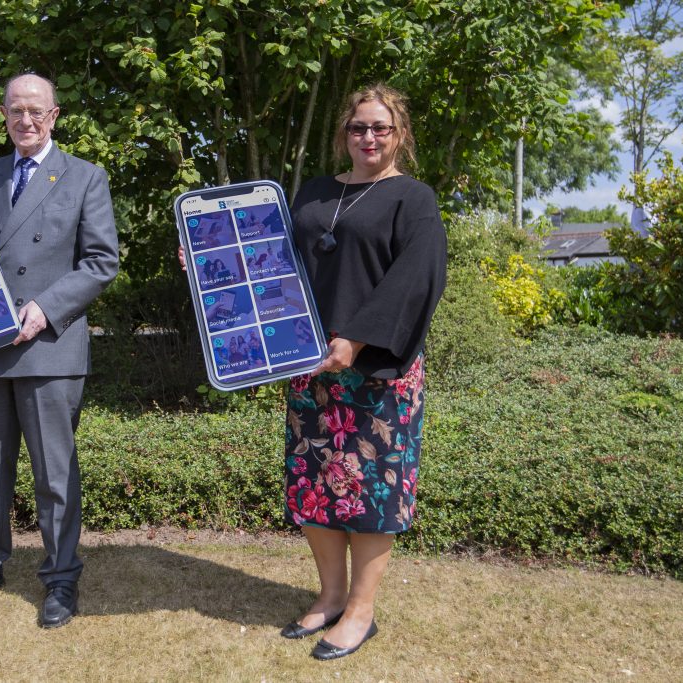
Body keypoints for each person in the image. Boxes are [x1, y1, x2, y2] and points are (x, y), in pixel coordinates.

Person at [176, 82, 445, 661]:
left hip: (376, 368)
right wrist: (208, 256)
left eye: (381, 127)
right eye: (358, 127)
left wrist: (356, 339)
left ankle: (361, 612)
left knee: (373, 489)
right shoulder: (317, 193)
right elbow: (272, 260)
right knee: (316, 484)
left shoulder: (412, 198)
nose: (368, 137)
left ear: (400, 134)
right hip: (309, 360)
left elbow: (416, 278)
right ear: (343, 134)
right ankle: (329, 596)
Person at [0, 73, 119, 629]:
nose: (25, 120)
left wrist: (45, 308)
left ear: (54, 114)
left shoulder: (85, 177)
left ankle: (60, 578)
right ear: (4, 115)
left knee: (54, 474)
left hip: (50, 343)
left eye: (36, 110)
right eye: (15, 111)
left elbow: (102, 261)